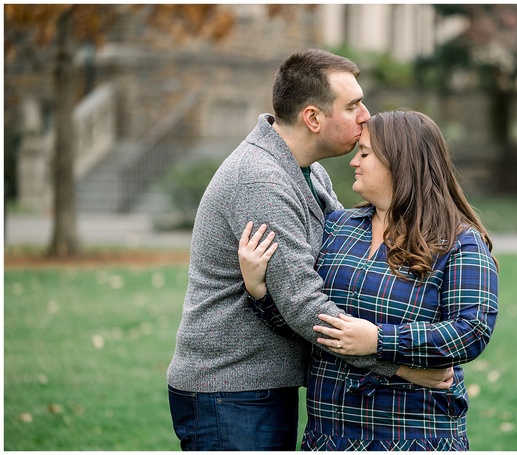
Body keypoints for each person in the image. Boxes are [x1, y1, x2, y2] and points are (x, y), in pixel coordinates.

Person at [166, 50, 453, 451]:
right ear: (313, 118)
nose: (365, 115)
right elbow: (304, 303)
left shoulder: (308, 171)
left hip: (261, 384)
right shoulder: (260, 181)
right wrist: (402, 366)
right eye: (352, 105)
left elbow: (339, 254)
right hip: (231, 389)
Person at [239, 109, 499, 451]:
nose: (353, 162)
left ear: (399, 162)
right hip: (330, 437)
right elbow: (310, 324)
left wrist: (379, 340)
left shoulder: (458, 242)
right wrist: (260, 292)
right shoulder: (338, 226)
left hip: (413, 436)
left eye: (365, 153)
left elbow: (472, 331)